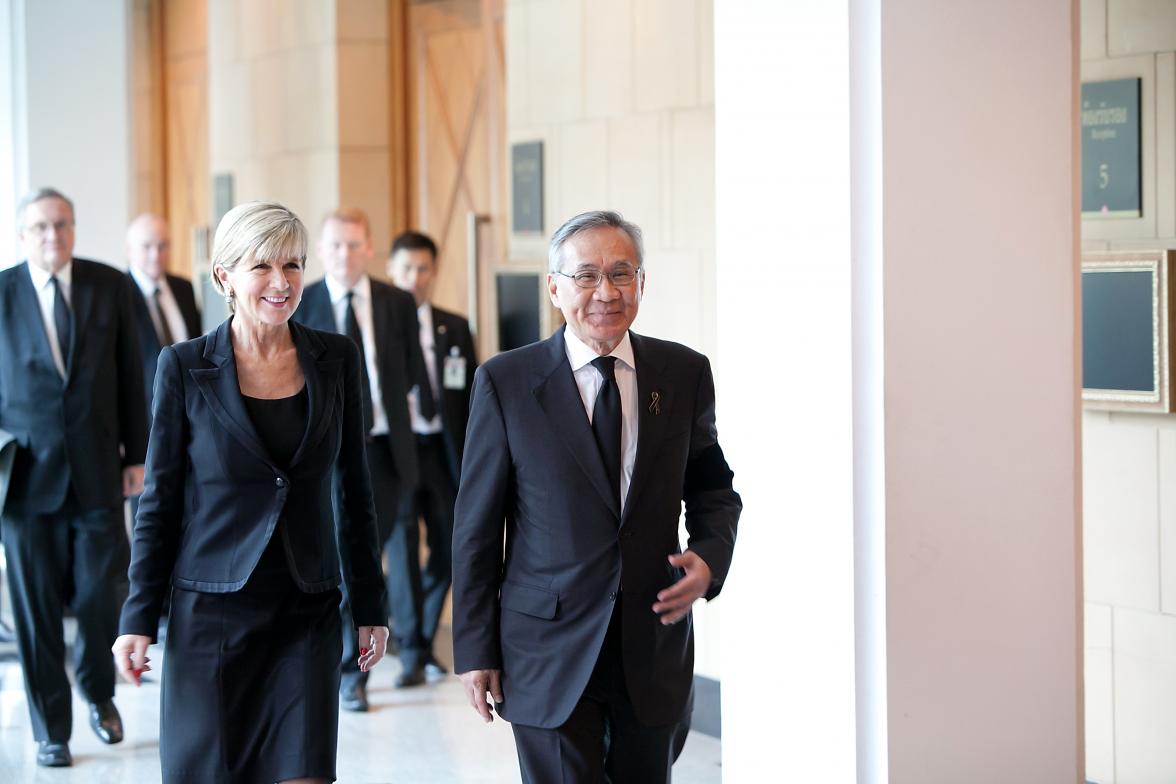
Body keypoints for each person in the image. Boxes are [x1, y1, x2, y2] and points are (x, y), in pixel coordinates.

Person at [452, 210, 741, 783]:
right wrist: (475, 647)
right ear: (554, 287)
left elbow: (712, 487)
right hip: (546, 647)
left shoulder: (682, 373)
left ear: (641, 282)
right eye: (585, 276)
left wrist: (710, 557)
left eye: (621, 273)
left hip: (652, 640)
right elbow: (476, 528)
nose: (605, 292)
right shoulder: (507, 382)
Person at [113, 201, 390, 784]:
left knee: (305, 773)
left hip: (306, 608)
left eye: (292, 265)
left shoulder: (335, 359)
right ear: (224, 278)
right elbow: (158, 501)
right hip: (212, 614)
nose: (280, 282)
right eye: (261, 266)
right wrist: (137, 616)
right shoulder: (185, 367)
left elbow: (354, 490)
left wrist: (371, 606)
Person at [0, 187, 147, 767]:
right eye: (39, 227)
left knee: (98, 596)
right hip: (24, 482)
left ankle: (99, 693)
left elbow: (133, 375)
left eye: (61, 225)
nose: (52, 236)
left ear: (75, 228)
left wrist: (137, 454)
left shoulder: (109, 285)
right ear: (23, 234)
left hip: (97, 475)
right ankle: (50, 729)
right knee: (35, 612)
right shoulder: (2, 293)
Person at [293, 208, 427, 708]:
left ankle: (406, 647)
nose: (344, 255)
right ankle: (353, 673)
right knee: (349, 558)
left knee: (393, 549)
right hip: (330, 453)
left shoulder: (396, 302)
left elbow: (411, 370)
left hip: (389, 448)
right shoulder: (303, 305)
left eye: (353, 245)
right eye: (335, 246)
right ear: (321, 253)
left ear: (369, 248)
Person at [388, 230, 477, 685]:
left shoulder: (454, 327)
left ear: (434, 273)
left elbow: (473, 396)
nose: (414, 278)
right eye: (406, 269)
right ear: (391, 271)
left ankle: (420, 634)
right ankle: (410, 649)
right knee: (401, 548)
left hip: (444, 452)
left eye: (423, 269)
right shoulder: (381, 327)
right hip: (398, 453)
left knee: (447, 547)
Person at [124, 213, 202, 418]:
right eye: (147, 246)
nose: (156, 254)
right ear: (130, 250)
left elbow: (195, 343)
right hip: (143, 413)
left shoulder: (184, 288)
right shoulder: (118, 293)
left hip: (190, 405)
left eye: (163, 245)